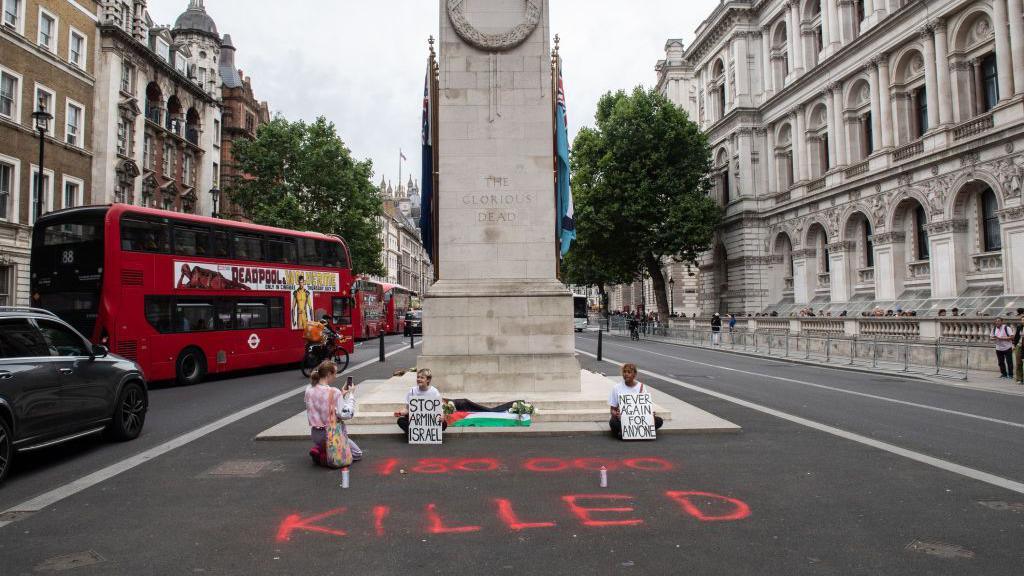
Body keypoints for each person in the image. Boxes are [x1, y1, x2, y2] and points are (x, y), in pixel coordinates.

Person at [304, 360, 362, 465]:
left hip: (315, 434)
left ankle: (320, 448)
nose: (336, 376)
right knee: (357, 454)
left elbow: (324, 405)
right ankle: (323, 455)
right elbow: (346, 414)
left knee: (331, 447)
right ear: (329, 374)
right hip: (332, 434)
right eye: (335, 373)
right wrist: (351, 395)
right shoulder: (334, 392)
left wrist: (341, 395)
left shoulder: (309, 389)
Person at [608, 363, 663, 439]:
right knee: (613, 423)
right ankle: (630, 432)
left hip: (638, 420)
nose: (626, 374)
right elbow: (612, 410)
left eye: (629, 372)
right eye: (624, 372)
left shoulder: (641, 387)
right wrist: (617, 415)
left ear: (634, 374)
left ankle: (629, 432)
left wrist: (650, 414)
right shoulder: (616, 388)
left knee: (659, 421)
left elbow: (645, 406)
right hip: (622, 419)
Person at [394, 369, 449, 434]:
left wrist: (441, 416)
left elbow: (440, 408)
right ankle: (419, 434)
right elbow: (407, 408)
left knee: (444, 424)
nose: (419, 379)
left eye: (422, 378)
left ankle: (420, 433)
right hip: (415, 420)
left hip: (429, 419)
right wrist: (400, 413)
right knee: (401, 421)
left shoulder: (434, 391)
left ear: (428, 380)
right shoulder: (412, 391)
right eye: (418, 377)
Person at [1014, 312, 1024, 385]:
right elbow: (1016, 337)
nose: (1022, 321)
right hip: (1019, 346)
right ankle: (1019, 378)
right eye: (1022, 320)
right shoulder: (1019, 327)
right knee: (1018, 363)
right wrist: (1014, 345)